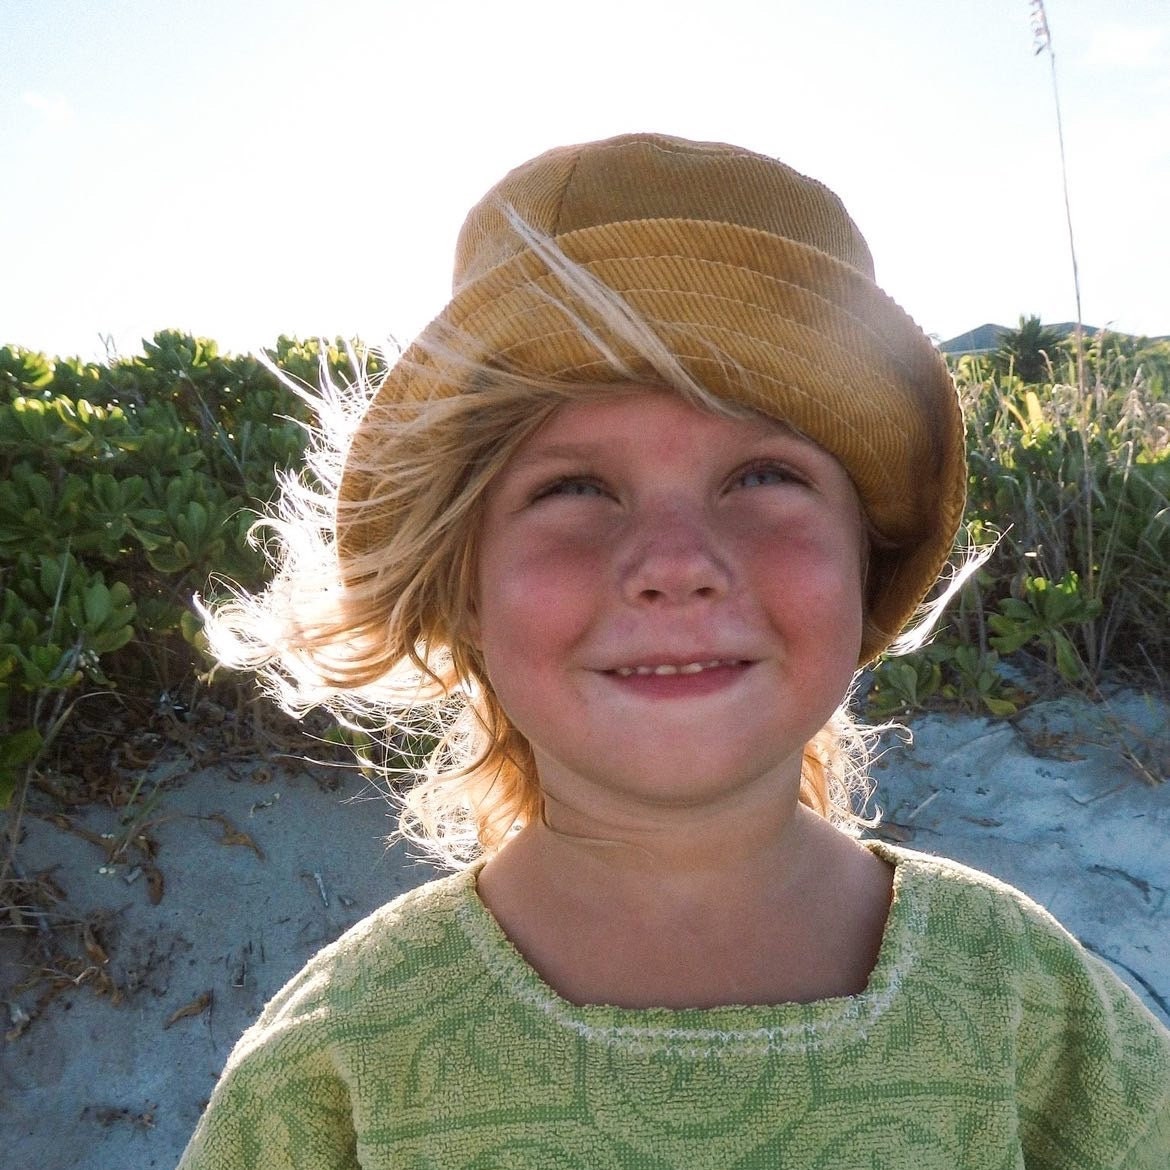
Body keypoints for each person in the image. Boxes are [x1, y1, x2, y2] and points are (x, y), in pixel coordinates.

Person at [177, 132, 1170, 1168]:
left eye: (762, 478)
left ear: (860, 567)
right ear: (462, 589)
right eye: (574, 490)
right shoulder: (344, 1053)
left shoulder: (1022, 1000)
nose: (676, 563)